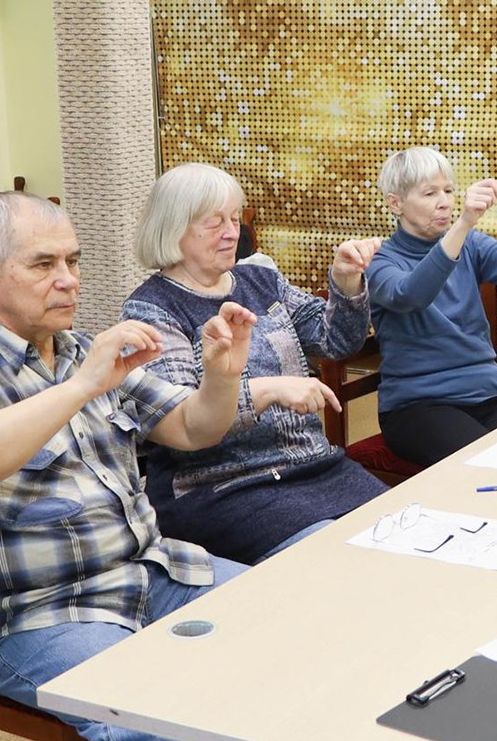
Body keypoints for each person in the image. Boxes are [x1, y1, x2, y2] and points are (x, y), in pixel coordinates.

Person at [0, 192, 257, 741]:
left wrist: (222, 378)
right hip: (40, 614)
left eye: (73, 260)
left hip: (153, 573)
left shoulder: (79, 349)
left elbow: (192, 428)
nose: (69, 280)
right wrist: (82, 385)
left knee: (291, 629)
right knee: (159, 721)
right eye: (44, 264)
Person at [122, 163, 388, 565]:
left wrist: (346, 280)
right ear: (173, 227)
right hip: (223, 489)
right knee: (343, 561)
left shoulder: (259, 280)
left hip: (312, 468)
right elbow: (180, 415)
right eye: (215, 223)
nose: (233, 233)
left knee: (403, 530)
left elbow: (336, 342)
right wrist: (268, 391)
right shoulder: (151, 309)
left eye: (234, 219)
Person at [366, 146, 497, 467]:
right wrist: (464, 223)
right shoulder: (381, 260)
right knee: (491, 465)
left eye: (448, 191)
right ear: (395, 203)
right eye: (429, 193)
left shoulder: (470, 244)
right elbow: (411, 294)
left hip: (488, 394)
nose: (444, 201)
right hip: (418, 406)